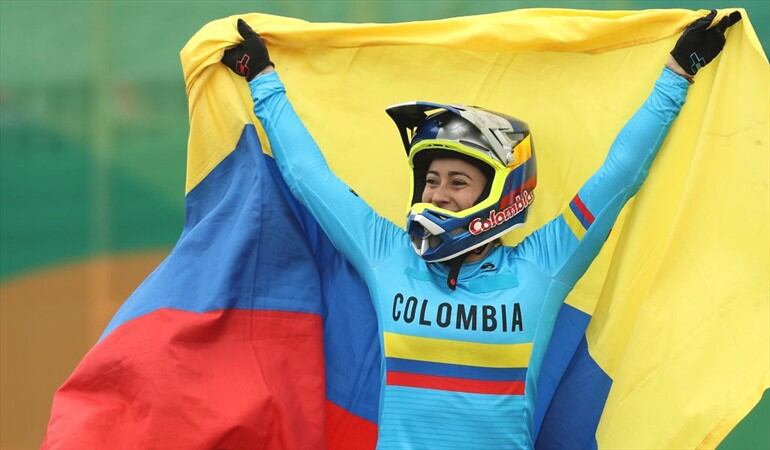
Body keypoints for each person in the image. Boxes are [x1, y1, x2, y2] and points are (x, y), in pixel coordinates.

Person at [221, 10, 740, 449]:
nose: (438, 193)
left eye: (458, 182)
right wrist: (262, 80)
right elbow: (308, 176)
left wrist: (677, 75)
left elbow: (618, 178)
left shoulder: (543, 265)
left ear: (502, 190)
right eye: (431, 180)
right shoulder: (387, 254)